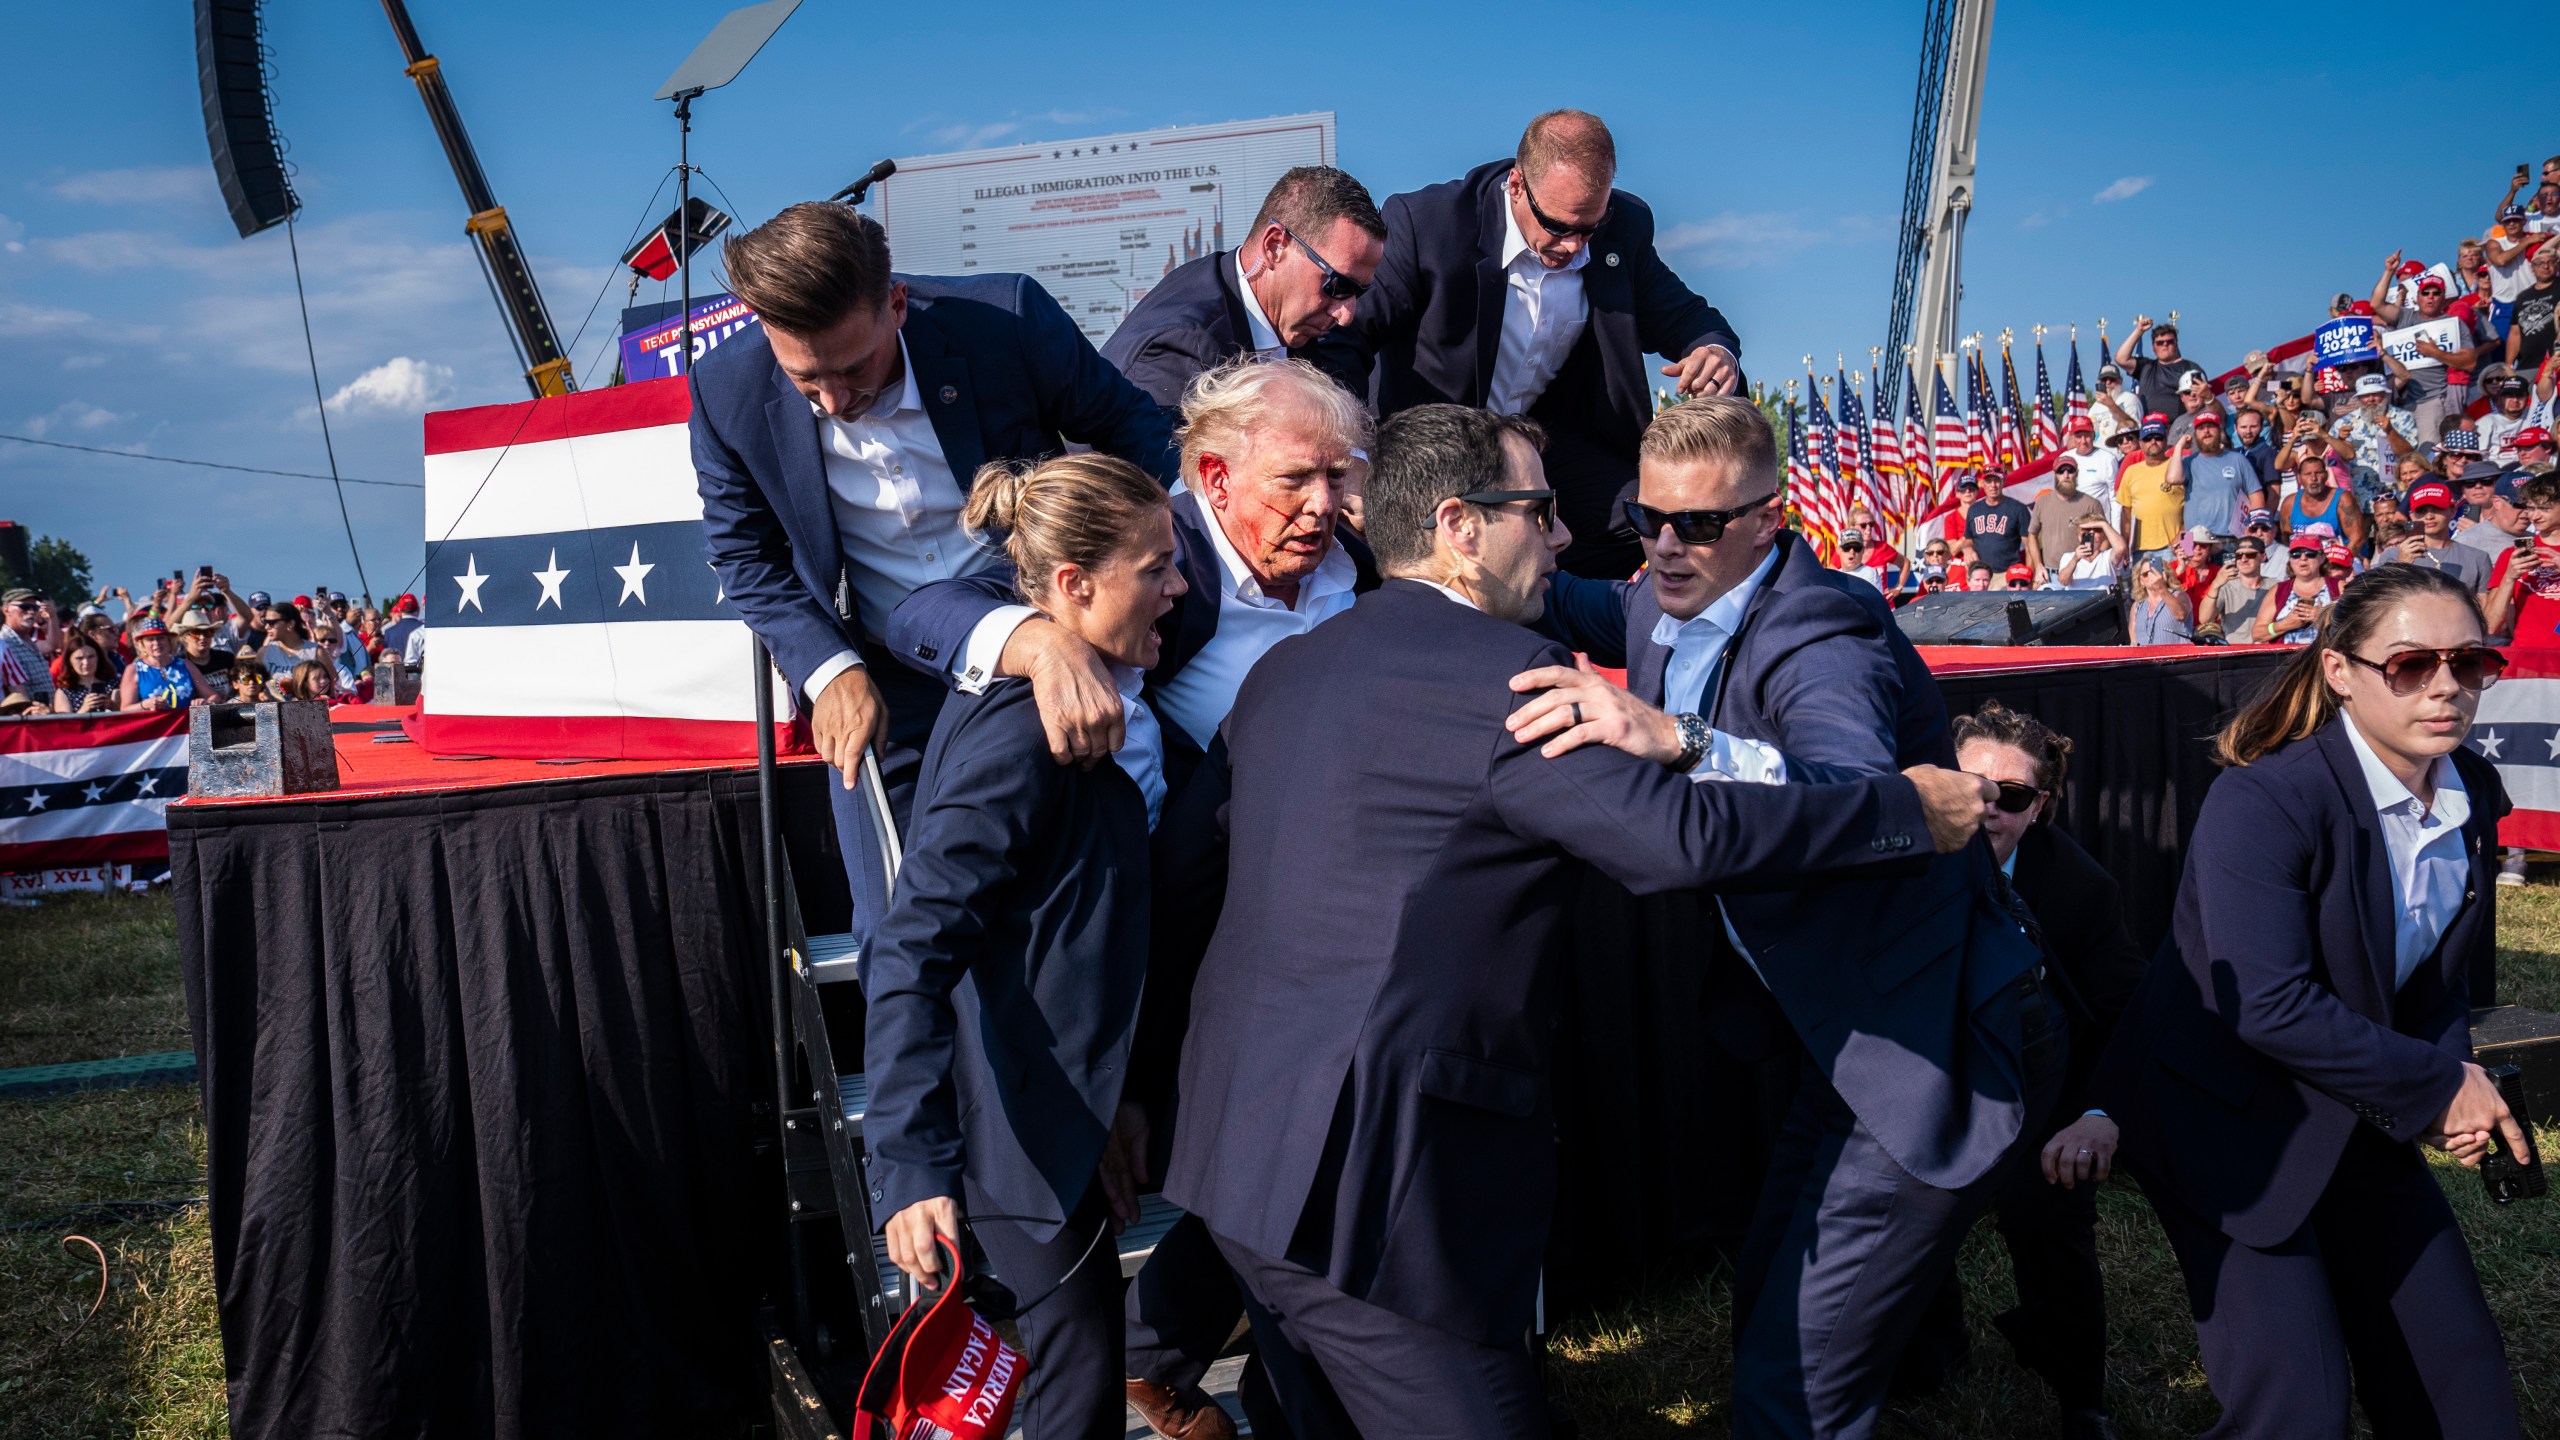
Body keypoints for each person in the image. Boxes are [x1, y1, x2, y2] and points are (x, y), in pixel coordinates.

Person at [1163, 402, 1997, 1439]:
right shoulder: (1507, 689)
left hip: (1234, 1154)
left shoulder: (1284, 669)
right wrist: (1903, 811)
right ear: (1463, 527)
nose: (1563, 540)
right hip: (1376, 1194)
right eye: (1541, 511)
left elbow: (1188, 874)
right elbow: (1680, 842)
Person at [1586, 396, 2057, 1440]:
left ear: (1769, 518)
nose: (1665, 545)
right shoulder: (1658, 597)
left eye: (1697, 524)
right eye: (1645, 516)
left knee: (1791, 1380)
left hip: (1930, 1033)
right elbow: (1580, 601)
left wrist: (1680, 738)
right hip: (1839, 1029)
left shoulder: (1820, 629)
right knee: (1775, 1306)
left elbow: (1850, 791)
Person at [2096, 564, 2525, 1439]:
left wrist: (2451, 1069)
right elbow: (2265, 1003)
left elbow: (2436, 981)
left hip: (2357, 1106)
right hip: (2222, 1119)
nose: (2446, 686)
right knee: (2298, 1409)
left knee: (2464, 1389)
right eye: (2410, 664)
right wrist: (2434, 1086)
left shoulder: (2470, 788)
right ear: (2340, 671)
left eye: (2469, 662)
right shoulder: (2265, 798)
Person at [690, 201, 1178, 951]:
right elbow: (746, 559)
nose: (834, 404)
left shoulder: (1006, 319)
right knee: (899, 928)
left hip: (1049, 642)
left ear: (896, 303)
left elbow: (1141, 437)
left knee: (1075, 901)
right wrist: (828, 671)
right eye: (805, 379)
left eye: (855, 370)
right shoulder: (722, 392)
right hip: (884, 680)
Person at [866, 453, 1185, 1440]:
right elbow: (912, 948)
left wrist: (1115, 1100)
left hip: (1062, 1128)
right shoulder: (1020, 734)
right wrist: (912, 1165)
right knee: (1068, 1405)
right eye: (1156, 567)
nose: (1178, 587)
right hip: (1009, 1145)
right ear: (1073, 587)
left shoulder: (1099, 694)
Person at [1314, 110, 1745, 579]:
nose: (1575, 248)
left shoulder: (1625, 229)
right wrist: (1352, 457)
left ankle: (1546, 607)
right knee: (1422, 561)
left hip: (1537, 443)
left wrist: (1714, 351)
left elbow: (1690, 317)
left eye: (1590, 229)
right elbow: (1342, 338)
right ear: (1516, 185)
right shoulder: (1428, 225)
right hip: (1427, 444)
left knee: (1640, 517)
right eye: (1558, 227)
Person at [1938, 703, 2145, 1440]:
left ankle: (2079, 1394)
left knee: (2051, 1213)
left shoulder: (2081, 889)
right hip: (1921, 1082)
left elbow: (2123, 1012)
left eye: (2013, 796)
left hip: (2040, 1090)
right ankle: (1931, 1348)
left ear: (2042, 809)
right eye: (1969, 786)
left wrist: (2094, 1115)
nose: (1988, 807)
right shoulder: (1892, 855)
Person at [1103, 167, 1384, 409]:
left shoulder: (1296, 326)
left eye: (1359, 292)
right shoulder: (1181, 351)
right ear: (1274, 246)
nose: (1345, 315)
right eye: (1337, 286)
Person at [2485, 471, 2560, 645]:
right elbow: (2490, 626)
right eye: (2531, 508)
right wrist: (2509, 578)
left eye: (2544, 508)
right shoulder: (2512, 555)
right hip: (2527, 659)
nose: (2534, 516)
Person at [2180, 412, 2262, 549]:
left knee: (2231, 571)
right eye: (2201, 428)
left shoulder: (2238, 460)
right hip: (2192, 539)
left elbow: (2256, 497)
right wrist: (2179, 446)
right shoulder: (2188, 462)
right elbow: (2171, 479)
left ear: (2220, 430)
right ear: (2194, 434)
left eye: (2211, 427)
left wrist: (2251, 528)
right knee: (2187, 571)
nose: (2206, 431)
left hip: (2229, 538)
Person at [2025, 457, 2107, 585]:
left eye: (2070, 471)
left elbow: (2104, 538)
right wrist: (2038, 565)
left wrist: (2095, 565)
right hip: (2050, 575)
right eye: (2061, 471)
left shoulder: (2091, 504)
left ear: (2077, 473)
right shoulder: (2042, 502)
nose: (2066, 475)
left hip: (2081, 574)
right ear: (2055, 475)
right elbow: (2032, 535)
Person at [2255, 526, 2342, 645]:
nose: (2303, 558)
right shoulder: (2278, 590)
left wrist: (2324, 618)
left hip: (2324, 658)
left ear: (2322, 558)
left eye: (2310, 553)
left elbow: (2357, 627)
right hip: (2285, 661)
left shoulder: (2339, 587)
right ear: (2290, 559)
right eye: (2296, 554)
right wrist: (2285, 624)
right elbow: (2257, 634)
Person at [2394, 479, 2486, 589]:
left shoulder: (2477, 558)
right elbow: (2382, 601)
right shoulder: (2392, 556)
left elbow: (2484, 604)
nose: (2429, 517)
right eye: (2421, 510)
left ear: (2453, 510)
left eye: (2437, 509)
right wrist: (2402, 565)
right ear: (2412, 515)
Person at [2115, 316, 2205, 423]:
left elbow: (2201, 400)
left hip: (2178, 429)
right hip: (2150, 432)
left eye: (2169, 342)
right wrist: (2139, 331)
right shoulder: (2146, 367)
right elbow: (2121, 358)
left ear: (2176, 344)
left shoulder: (2190, 368)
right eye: (2160, 343)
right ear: (2153, 347)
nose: (2165, 345)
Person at [2120, 419, 2187, 562]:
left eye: (2158, 437)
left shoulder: (2180, 466)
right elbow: (2126, 513)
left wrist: (2183, 540)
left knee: (2181, 584)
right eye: (2148, 438)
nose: (2153, 442)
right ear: (2141, 443)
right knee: (2141, 585)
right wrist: (2125, 545)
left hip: (2175, 547)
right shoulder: (2131, 471)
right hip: (2140, 550)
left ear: (2166, 439)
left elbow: (2193, 507)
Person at [2277, 452, 2366, 554]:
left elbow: (2357, 539)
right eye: (2308, 474)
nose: (2314, 478)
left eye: (2318, 473)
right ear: (2299, 478)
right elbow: (2286, 541)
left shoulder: (2342, 499)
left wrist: (2338, 562)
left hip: (2339, 559)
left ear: (2326, 475)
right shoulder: (2289, 503)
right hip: (2305, 561)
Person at [119, 616, 204, 711]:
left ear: (169, 641)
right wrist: (144, 705)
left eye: (160, 638)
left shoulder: (185, 664)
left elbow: (213, 696)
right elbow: (125, 709)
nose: (156, 643)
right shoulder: (133, 670)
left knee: (203, 720)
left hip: (187, 723)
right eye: (150, 639)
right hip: (154, 724)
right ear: (142, 644)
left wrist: (204, 703)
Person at [2201, 535, 2277, 641]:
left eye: (2250, 555)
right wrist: (2215, 585)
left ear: (2263, 557)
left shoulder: (2276, 587)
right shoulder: (2225, 586)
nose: (2244, 559)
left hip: (2267, 652)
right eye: (2239, 555)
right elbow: (2204, 619)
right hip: (2234, 652)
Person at [2505, 242, 2560, 375]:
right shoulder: (2523, 297)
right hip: (2526, 366)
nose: (2545, 266)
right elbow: (2515, 333)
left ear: (2557, 265)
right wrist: (2509, 365)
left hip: (2555, 364)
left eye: (2550, 262)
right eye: (2539, 263)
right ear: (2532, 268)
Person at [1965, 472, 2034, 572]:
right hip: (1981, 574)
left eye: (1996, 480)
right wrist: (1967, 549)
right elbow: (1968, 539)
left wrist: (2029, 574)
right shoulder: (1974, 510)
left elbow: (2030, 545)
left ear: (2003, 482)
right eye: (1989, 481)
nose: (1993, 485)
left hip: (2008, 573)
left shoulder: (2018, 509)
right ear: (1982, 483)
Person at [0, 588, 56, 709]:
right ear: (6, 610)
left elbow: (51, 645)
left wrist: (52, 616)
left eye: (35, 608)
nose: (31, 612)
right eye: (24, 607)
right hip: (27, 716)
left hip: (45, 713)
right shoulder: (5, 643)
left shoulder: (28, 640)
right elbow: (15, 689)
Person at [48, 631, 118, 713]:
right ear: (69, 661)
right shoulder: (65, 692)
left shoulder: (114, 684)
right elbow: (66, 724)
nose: (86, 663)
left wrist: (112, 706)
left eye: (91, 657)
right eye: (79, 658)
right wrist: (84, 709)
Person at [2053, 516, 2124, 592]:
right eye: (2086, 529)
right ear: (2078, 535)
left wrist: (2104, 524)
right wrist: (2075, 559)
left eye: (2097, 529)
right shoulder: (2068, 557)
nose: (2092, 532)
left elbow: (2121, 548)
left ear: (2103, 534)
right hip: (2079, 602)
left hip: (2104, 602)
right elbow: (2063, 581)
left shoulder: (2107, 556)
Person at [2130, 558, 2192, 644]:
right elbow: (2133, 642)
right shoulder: (2137, 606)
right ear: (2141, 582)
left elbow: (2181, 615)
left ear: (2164, 574)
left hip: (2175, 656)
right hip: (2146, 656)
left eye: (2154, 572)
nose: (2151, 577)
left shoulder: (2179, 595)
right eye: (2145, 574)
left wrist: (2161, 587)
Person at [258, 602, 322, 680]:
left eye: (272, 622)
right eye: (266, 622)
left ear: (290, 624)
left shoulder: (316, 652)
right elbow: (257, 682)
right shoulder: (264, 653)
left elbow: (331, 684)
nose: (267, 627)